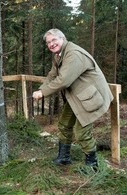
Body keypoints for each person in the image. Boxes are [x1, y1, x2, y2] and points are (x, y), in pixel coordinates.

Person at [33, 29, 114, 170]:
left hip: (90, 97)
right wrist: (41, 90)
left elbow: (63, 80)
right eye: (48, 42)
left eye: (54, 40)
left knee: (81, 133)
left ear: (62, 38)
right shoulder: (59, 55)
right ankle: (64, 157)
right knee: (64, 124)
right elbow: (52, 75)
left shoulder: (73, 54)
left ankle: (92, 164)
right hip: (77, 96)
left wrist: (43, 93)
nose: (51, 44)